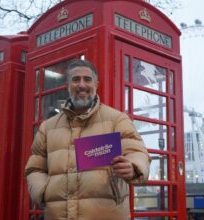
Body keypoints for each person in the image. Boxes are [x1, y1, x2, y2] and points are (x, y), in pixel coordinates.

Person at [25, 59, 150, 220]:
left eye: (87, 79)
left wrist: (133, 167)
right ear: (67, 85)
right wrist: (43, 192)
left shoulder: (117, 119)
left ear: (96, 84)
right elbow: (34, 168)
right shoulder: (48, 127)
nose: (82, 85)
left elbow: (137, 151)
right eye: (75, 80)